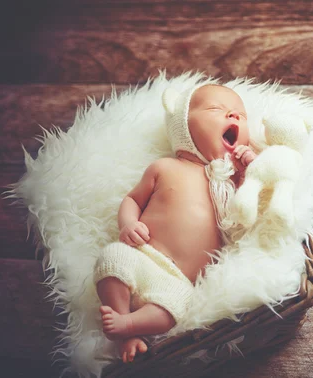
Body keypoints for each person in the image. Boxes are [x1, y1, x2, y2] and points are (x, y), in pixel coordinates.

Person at [93, 83, 257, 363]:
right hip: (144, 254)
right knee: (111, 259)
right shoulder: (164, 167)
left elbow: (253, 202)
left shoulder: (228, 182)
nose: (234, 116)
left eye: (240, 114)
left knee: (174, 308)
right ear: (184, 128)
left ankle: (130, 325)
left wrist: (251, 168)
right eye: (217, 110)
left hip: (178, 280)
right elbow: (133, 199)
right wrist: (128, 223)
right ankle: (121, 322)